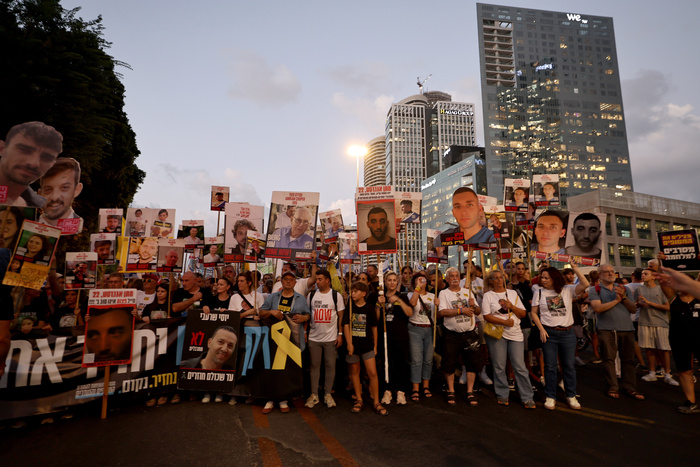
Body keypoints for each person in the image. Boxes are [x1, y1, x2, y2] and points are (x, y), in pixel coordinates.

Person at [530, 263, 590, 410]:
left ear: (554, 278)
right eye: (542, 277)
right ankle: (550, 396)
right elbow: (533, 313)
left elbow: (585, 284)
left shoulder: (567, 289)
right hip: (549, 334)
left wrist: (575, 268)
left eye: (546, 278)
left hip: (567, 333)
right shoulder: (539, 292)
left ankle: (571, 395)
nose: (543, 280)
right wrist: (541, 329)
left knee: (568, 366)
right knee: (550, 366)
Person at [589, 264, 644, 400]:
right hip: (606, 329)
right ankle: (613, 386)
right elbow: (598, 308)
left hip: (627, 329)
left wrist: (623, 297)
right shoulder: (595, 290)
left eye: (612, 271)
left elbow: (633, 309)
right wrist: (615, 301)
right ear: (600, 275)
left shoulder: (624, 289)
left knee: (628, 360)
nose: (610, 274)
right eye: (606, 272)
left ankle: (630, 387)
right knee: (609, 359)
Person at [481, 269, 535, 408]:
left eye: (501, 277)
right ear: (491, 281)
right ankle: (502, 393)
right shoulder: (488, 295)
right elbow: (486, 316)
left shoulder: (512, 293)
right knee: (499, 365)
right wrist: (504, 322)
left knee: (520, 366)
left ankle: (527, 396)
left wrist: (512, 307)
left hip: (515, 333)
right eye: (496, 278)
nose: (499, 280)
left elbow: (523, 314)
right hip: (497, 334)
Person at [259, 270, 310, 414]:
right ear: (281, 282)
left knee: (287, 371)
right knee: (273, 369)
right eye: (286, 279)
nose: (288, 281)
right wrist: (271, 312)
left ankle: (284, 399)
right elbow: (261, 313)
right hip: (275, 340)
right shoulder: (273, 297)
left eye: (291, 279)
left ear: (295, 282)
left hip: (292, 341)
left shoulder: (301, 299)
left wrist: (304, 318)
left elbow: (308, 314)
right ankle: (270, 399)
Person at [438, 267, 482, 406]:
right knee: (449, 363)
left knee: (472, 363)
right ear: (447, 279)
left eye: (457, 275)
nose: (455, 278)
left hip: (469, 333)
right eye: (451, 276)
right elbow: (443, 312)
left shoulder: (467, 292)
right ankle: (451, 390)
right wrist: (461, 310)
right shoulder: (443, 293)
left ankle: (470, 391)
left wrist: (474, 306)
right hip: (452, 334)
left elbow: (478, 311)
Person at [343, 281, 387, 416]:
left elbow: (374, 327)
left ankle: (377, 401)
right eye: (352, 291)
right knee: (355, 371)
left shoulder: (369, 308)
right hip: (353, 345)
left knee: (372, 372)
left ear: (363, 293)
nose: (352, 294)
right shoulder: (350, 307)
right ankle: (359, 399)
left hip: (367, 345)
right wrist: (349, 343)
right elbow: (346, 325)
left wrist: (375, 345)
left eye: (355, 291)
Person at [305, 268, 345, 409]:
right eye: (316, 279)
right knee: (314, 366)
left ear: (328, 280)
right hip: (314, 338)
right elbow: (308, 314)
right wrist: (305, 331)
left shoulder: (336, 296)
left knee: (330, 366)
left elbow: (341, 316)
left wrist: (340, 334)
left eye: (320, 279)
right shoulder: (311, 295)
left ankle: (328, 394)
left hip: (331, 338)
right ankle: (314, 394)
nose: (317, 282)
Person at [0, 121, 63, 207]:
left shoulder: (45, 208)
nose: (34, 163)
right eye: (24, 150)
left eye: (46, 158)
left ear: (52, 165)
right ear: (2, 149)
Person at [635, 268, 678, 386]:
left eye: (646, 274)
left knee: (664, 349)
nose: (643, 275)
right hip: (645, 322)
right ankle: (652, 373)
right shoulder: (639, 289)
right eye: (642, 274)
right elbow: (636, 304)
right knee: (649, 348)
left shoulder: (661, 289)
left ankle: (667, 374)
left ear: (653, 277)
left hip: (660, 322)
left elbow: (668, 307)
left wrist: (649, 303)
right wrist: (639, 304)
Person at [378, 271, 413, 406]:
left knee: (401, 364)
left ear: (397, 282)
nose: (392, 283)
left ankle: (401, 391)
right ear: (385, 282)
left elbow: (409, 313)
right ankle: (387, 390)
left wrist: (398, 300)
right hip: (385, 336)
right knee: (387, 364)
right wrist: (378, 304)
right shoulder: (381, 297)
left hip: (400, 336)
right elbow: (376, 318)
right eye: (389, 280)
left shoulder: (402, 296)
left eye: (394, 280)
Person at [667, 273, 700, 413]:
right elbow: (663, 281)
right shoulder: (673, 297)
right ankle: (690, 402)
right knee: (684, 370)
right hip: (679, 340)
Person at [407, 271, 437, 401]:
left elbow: (437, 316)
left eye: (423, 280)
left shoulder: (432, 296)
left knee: (428, 360)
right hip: (415, 329)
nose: (421, 282)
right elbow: (413, 303)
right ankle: (415, 387)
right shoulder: (410, 294)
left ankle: (426, 386)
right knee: (416, 360)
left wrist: (437, 305)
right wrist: (417, 289)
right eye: (418, 280)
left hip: (429, 329)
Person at [37, 157, 83, 228]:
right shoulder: (25, 228)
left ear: (76, 190)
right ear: (40, 194)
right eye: (48, 190)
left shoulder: (86, 229)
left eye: (64, 188)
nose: (54, 197)